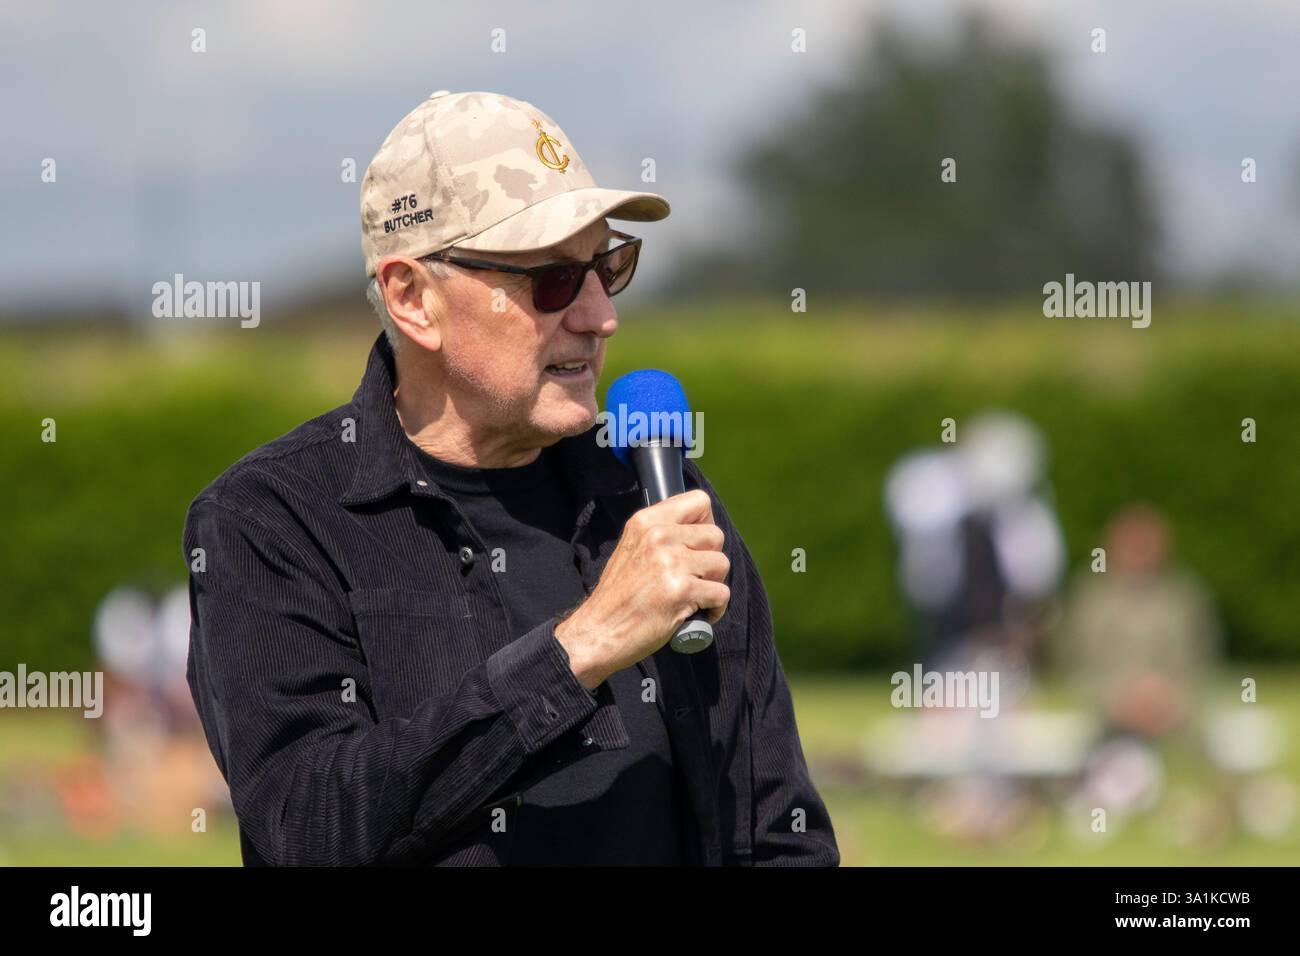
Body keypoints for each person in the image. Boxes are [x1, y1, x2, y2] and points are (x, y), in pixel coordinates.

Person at [182, 90, 838, 866]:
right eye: (552, 280)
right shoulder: (273, 518)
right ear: (412, 297)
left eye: (608, 266)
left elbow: (772, 830)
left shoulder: (654, 494)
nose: (600, 316)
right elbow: (310, 823)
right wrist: (581, 649)